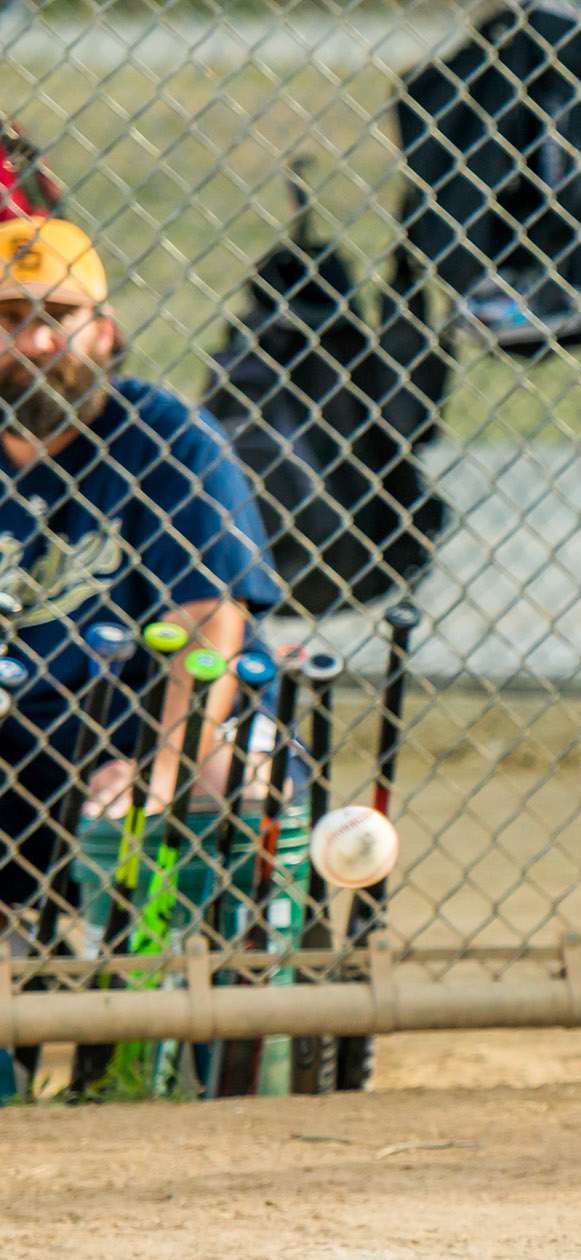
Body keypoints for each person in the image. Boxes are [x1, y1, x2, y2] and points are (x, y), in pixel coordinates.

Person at [0, 216, 281, 1090]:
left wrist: (162, 773)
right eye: (8, 315)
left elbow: (209, 627)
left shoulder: (166, 437)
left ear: (107, 330)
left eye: (61, 312)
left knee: (220, 782)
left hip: (129, 728)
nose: (37, 338)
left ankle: (184, 1069)